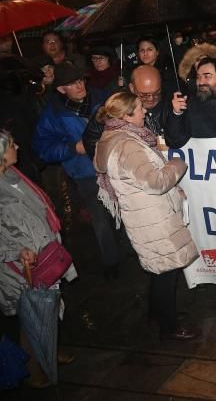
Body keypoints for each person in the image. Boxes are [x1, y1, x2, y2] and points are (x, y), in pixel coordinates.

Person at [93, 92, 200, 341]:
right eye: (140, 108)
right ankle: (170, 327)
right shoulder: (128, 146)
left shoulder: (114, 137)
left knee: (158, 269)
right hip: (153, 217)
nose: (145, 112)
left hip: (144, 216)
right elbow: (156, 181)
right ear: (126, 116)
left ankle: (157, 314)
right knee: (167, 271)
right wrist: (177, 164)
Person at [0, 131, 78, 388]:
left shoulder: (13, 176)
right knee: (31, 317)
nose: (17, 146)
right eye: (11, 144)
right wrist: (15, 252)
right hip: (19, 269)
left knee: (50, 308)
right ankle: (34, 369)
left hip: (45, 258)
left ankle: (51, 350)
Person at [33, 62, 119, 277]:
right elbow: (43, 148)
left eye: (81, 80)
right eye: (72, 83)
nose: (80, 85)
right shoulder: (53, 114)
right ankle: (111, 261)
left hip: (115, 165)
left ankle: (132, 247)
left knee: (125, 208)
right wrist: (73, 147)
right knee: (99, 216)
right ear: (62, 89)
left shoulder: (101, 98)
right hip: (86, 173)